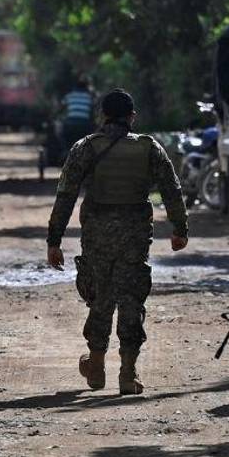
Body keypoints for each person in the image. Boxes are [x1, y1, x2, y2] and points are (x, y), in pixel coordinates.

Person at [47, 88, 188, 395]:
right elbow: (171, 189)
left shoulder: (85, 147)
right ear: (132, 118)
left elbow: (66, 195)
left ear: (102, 116)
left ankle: (96, 365)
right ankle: (128, 373)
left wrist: (54, 239)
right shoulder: (149, 148)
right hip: (135, 235)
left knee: (100, 297)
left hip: (97, 234)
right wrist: (180, 228)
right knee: (131, 298)